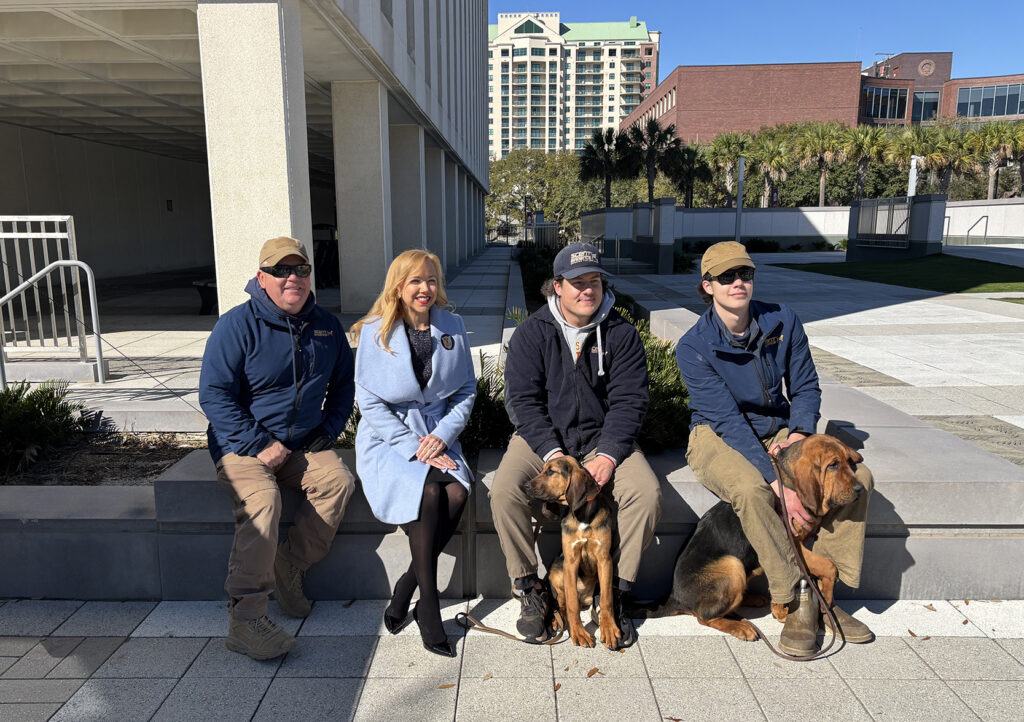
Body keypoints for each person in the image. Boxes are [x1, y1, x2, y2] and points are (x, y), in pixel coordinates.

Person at [675, 241, 874, 656]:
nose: (738, 283)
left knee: (859, 479)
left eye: (744, 274)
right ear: (707, 286)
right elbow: (728, 420)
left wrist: (798, 438)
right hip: (715, 434)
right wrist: (776, 480)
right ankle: (797, 596)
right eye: (726, 277)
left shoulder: (782, 321)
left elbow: (804, 387)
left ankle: (830, 594)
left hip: (780, 430)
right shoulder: (694, 346)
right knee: (752, 491)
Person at [489, 241, 661, 648]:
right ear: (557, 286)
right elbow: (523, 402)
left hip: (602, 441)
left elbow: (630, 400)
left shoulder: (621, 333)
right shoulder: (532, 333)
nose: (588, 290)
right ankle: (530, 589)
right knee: (504, 490)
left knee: (646, 493)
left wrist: (608, 454)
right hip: (543, 440)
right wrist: (552, 453)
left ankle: (615, 595)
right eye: (578, 282)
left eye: (595, 281)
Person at [199, 236, 356, 660]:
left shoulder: (325, 326)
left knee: (339, 480)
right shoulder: (236, 325)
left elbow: (344, 383)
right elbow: (213, 395)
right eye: (281, 270)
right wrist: (257, 442)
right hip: (241, 446)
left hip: (301, 443)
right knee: (264, 502)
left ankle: (291, 563)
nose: (293, 278)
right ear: (261, 277)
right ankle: (246, 619)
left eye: (300, 270)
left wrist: (330, 428)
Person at [351, 249, 476, 658]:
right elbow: (369, 404)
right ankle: (430, 608)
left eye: (431, 281)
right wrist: (413, 448)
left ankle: (407, 587)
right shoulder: (375, 331)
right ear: (399, 286)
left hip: (436, 433)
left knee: (457, 492)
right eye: (416, 281)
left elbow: (465, 391)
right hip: (389, 439)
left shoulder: (452, 325)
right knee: (430, 494)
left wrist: (441, 436)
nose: (425, 289)